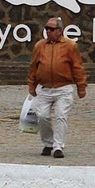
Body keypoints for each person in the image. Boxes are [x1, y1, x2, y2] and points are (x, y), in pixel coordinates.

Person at [27, 16, 86, 159]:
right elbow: (34, 66)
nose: (48, 31)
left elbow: (77, 67)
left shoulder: (70, 46)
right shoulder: (40, 46)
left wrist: (81, 86)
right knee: (42, 116)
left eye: (51, 29)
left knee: (61, 116)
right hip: (45, 88)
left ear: (60, 31)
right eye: (46, 28)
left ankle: (58, 146)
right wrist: (31, 84)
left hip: (63, 88)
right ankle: (48, 143)